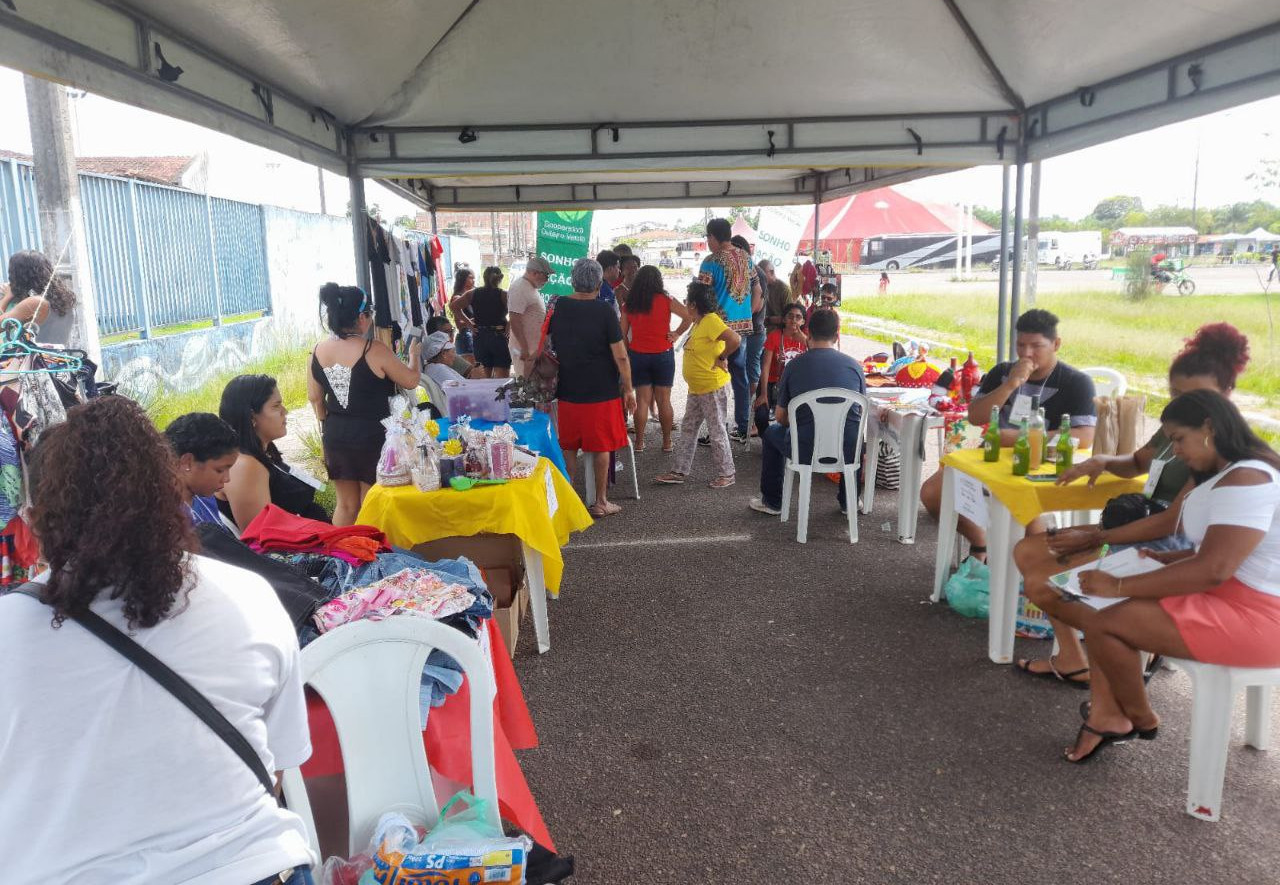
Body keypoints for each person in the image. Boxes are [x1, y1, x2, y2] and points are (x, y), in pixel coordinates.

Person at [0, 396, 316, 884]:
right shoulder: (250, 599)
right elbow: (274, 772)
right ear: (170, 498)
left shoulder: (9, 632)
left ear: (39, 521)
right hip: (256, 868)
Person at [1021, 390, 1280, 763]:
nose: (1175, 450)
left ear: (1208, 426)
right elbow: (1225, 549)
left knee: (1106, 622)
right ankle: (1121, 713)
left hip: (1257, 614)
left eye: (1178, 439)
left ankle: (1138, 717)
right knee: (1098, 614)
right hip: (1230, 594)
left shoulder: (1247, 479)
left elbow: (1214, 568)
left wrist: (1121, 584)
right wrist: (1169, 557)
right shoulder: (1227, 471)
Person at [1012, 323, 1251, 686]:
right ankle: (1073, 658)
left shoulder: (1219, 443)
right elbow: (1138, 463)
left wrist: (1096, 536)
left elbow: (1176, 521)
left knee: (1046, 576)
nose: (1182, 404)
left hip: (1169, 545)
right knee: (1029, 552)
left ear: (1227, 392)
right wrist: (1104, 461)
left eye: (1194, 395)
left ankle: (1120, 680)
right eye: (1176, 394)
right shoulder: (1179, 424)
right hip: (1142, 525)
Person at [920, 309, 1097, 559]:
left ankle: (1032, 574)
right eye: (1021, 345)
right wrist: (1011, 384)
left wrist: (1016, 440)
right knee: (932, 492)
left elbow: (1085, 436)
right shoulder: (1003, 372)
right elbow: (976, 416)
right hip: (992, 460)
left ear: (1056, 344)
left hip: (1040, 465)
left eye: (1036, 346)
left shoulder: (1076, 382)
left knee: (1027, 514)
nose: (1026, 354)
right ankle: (981, 542)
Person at [308, 283, 421, 526]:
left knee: (346, 505)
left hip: (336, 434)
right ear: (361, 317)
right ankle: (370, 557)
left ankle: (341, 558)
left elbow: (315, 398)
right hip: (372, 435)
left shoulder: (317, 351)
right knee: (372, 501)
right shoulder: (374, 349)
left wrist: (330, 426)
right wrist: (415, 356)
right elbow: (411, 381)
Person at [749, 307, 865, 516]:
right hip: (846, 449)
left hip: (805, 449)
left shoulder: (794, 366)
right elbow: (857, 413)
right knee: (856, 436)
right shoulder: (854, 367)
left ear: (808, 332)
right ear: (837, 335)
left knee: (771, 433)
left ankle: (772, 502)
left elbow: (783, 418)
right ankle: (850, 501)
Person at [549, 258, 636, 518]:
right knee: (600, 447)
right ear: (599, 283)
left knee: (569, 447)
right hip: (602, 390)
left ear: (573, 280)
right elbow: (620, 355)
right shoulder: (604, 311)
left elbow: (547, 343)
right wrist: (628, 388)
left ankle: (567, 501)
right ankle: (600, 502)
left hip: (568, 388)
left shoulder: (558, 306)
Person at [656, 280, 739, 489]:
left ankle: (727, 473)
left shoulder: (710, 321)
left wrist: (722, 356)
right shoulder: (699, 322)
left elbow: (735, 339)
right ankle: (679, 471)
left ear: (693, 304)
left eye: (686, 301)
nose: (685, 305)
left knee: (717, 430)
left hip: (712, 387)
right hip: (698, 388)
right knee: (689, 428)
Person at [221, 374, 329, 528]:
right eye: (276, 406)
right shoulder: (245, 466)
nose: (285, 411)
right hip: (300, 548)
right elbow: (260, 537)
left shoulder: (262, 453)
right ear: (252, 417)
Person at [698, 218, 761, 443]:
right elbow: (758, 289)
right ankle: (743, 427)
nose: (707, 242)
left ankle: (717, 430)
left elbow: (701, 296)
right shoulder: (746, 257)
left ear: (713, 237)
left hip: (718, 329)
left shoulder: (710, 262)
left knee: (714, 378)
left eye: (708, 238)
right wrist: (748, 314)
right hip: (742, 330)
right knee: (740, 377)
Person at [620, 265, 692, 453]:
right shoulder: (666, 299)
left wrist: (628, 353)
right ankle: (667, 442)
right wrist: (676, 333)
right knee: (664, 401)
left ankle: (639, 443)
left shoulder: (629, 304)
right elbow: (688, 316)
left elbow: (622, 333)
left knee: (642, 400)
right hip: (663, 355)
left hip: (638, 355)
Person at [164, 412, 240, 531]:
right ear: (187, 462)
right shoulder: (164, 518)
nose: (227, 479)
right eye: (220, 470)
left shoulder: (205, 498)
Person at [754, 302, 809, 437]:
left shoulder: (807, 338)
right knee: (761, 415)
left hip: (796, 385)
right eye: (790, 316)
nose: (794, 320)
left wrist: (805, 341)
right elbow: (765, 366)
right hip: (773, 383)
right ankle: (767, 438)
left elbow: (816, 360)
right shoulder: (775, 336)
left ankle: (790, 440)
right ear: (784, 319)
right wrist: (763, 394)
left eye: (798, 317)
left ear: (803, 321)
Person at [1, 249, 77, 345]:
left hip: (36, 359)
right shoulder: (64, 299)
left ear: (18, 276)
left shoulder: (35, 302)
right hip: (58, 357)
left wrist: (6, 297)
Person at [732, 235, 766, 437]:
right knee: (743, 374)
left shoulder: (754, 272)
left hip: (752, 331)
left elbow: (757, 304)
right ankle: (746, 420)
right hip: (747, 331)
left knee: (748, 375)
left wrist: (739, 321)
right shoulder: (747, 269)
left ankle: (751, 422)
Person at [449, 266, 510, 378]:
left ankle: (485, 395)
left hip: (480, 336)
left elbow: (453, 307)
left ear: (484, 278)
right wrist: (509, 326)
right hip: (499, 336)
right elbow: (517, 312)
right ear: (500, 279)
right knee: (502, 382)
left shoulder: (473, 293)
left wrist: (468, 323)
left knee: (483, 378)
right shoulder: (503, 294)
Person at [506, 256, 552, 376]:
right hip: (526, 351)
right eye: (546, 276)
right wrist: (524, 348)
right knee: (527, 387)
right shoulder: (519, 288)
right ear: (535, 273)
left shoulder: (529, 287)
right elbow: (515, 319)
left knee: (536, 386)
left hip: (533, 350)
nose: (547, 280)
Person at [448, 267, 477, 365]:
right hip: (465, 337)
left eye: (473, 278)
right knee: (471, 370)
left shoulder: (470, 296)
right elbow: (458, 324)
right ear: (463, 279)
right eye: (470, 278)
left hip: (471, 336)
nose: (473, 280)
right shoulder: (458, 297)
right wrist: (472, 321)